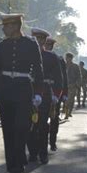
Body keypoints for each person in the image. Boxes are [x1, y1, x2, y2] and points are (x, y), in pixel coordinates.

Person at [0, 14, 43, 173]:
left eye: (6, 26)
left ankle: (19, 161)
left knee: (21, 128)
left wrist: (38, 92)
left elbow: (38, 70)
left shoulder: (30, 44)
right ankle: (12, 165)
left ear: (15, 26)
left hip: (23, 90)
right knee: (8, 130)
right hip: (5, 90)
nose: (4, 29)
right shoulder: (2, 45)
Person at [26, 28, 62, 164]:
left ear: (44, 41)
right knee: (29, 126)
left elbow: (59, 78)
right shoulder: (26, 54)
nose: (38, 41)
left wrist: (56, 95)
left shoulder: (52, 57)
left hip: (45, 93)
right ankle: (33, 153)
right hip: (28, 92)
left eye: (41, 39)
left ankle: (43, 153)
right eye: (35, 38)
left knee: (42, 126)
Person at [46, 37, 68, 152]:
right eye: (46, 44)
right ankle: (41, 142)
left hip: (55, 92)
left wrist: (64, 93)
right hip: (42, 92)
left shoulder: (59, 59)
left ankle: (53, 142)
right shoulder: (37, 56)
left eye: (49, 45)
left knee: (54, 118)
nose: (47, 47)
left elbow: (63, 78)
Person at [65, 52, 81, 118]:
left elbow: (79, 76)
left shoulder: (75, 66)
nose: (67, 59)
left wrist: (77, 84)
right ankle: (66, 113)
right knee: (65, 100)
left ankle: (69, 112)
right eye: (66, 58)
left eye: (68, 58)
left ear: (71, 58)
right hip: (64, 85)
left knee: (71, 100)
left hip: (73, 85)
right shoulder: (63, 65)